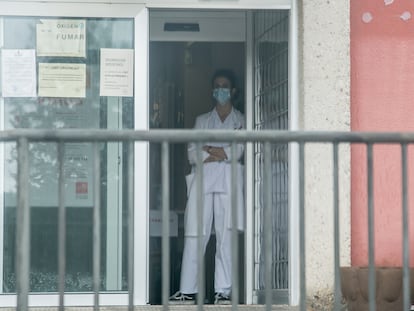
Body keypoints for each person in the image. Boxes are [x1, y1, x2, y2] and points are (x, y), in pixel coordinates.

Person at [170, 69, 245, 305]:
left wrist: (211, 149)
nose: (220, 90)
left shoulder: (241, 120)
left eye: (224, 86)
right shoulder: (202, 120)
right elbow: (193, 152)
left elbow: (240, 150)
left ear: (232, 91)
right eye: (217, 85)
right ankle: (187, 291)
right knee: (195, 235)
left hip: (227, 183)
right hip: (203, 183)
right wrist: (222, 153)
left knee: (226, 238)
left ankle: (223, 290)